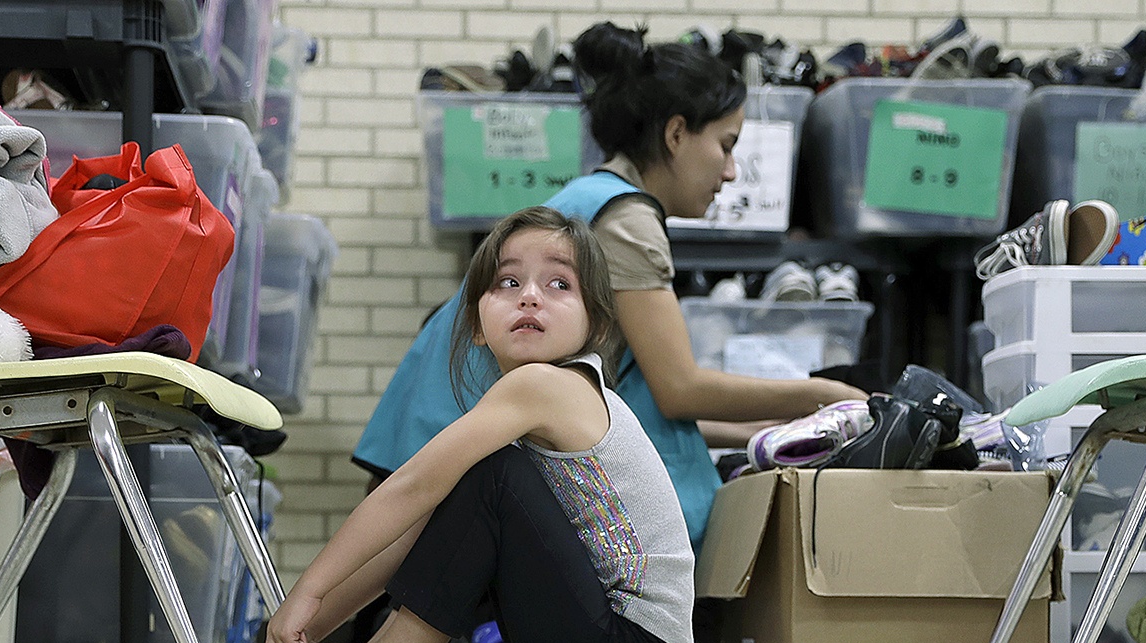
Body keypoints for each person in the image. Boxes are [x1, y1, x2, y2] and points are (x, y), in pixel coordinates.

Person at [354, 22, 866, 551]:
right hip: (445, 467)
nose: (732, 171)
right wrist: (822, 394)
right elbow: (678, 390)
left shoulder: (591, 195)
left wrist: (775, 428)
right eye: (725, 145)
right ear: (675, 134)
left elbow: (640, 403)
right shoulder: (624, 219)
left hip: (427, 442)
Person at [266, 206, 693, 643]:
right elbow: (410, 534)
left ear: (594, 325)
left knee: (486, 477)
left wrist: (307, 591)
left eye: (559, 283)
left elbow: (411, 487)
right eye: (508, 281)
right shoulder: (526, 404)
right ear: (476, 325)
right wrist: (300, 635)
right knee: (469, 485)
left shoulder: (548, 386)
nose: (530, 295)